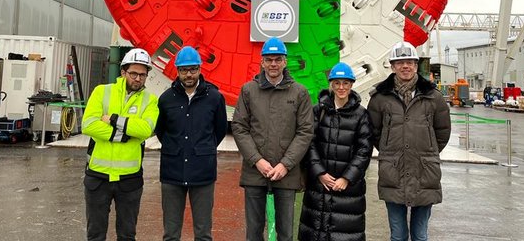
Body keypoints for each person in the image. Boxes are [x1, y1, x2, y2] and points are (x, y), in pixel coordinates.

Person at [367, 41, 451, 241]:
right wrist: (390, 151)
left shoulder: (433, 97)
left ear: (416, 65)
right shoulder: (380, 98)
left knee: (420, 235)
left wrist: (427, 150)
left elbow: (442, 131)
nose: (405, 66)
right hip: (392, 171)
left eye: (410, 62)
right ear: (393, 66)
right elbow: (374, 131)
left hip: (425, 171)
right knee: (398, 235)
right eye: (400, 62)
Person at [232, 37, 314, 241]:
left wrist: (285, 165)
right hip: (255, 173)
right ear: (262, 62)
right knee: (253, 232)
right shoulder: (248, 90)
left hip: (286, 174)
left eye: (278, 59)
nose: (273, 64)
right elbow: (240, 127)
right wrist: (257, 161)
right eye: (269, 59)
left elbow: (305, 131)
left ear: (285, 61)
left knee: (285, 232)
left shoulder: (299, 92)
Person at [82, 48, 159, 241]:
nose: (138, 79)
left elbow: (145, 130)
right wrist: (124, 135)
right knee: (95, 235)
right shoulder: (102, 92)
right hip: (98, 177)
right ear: (123, 72)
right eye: (133, 73)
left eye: (143, 74)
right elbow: (89, 124)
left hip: (129, 179)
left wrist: (114, 120)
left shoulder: (150, 100)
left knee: (127, 235)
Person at [155, 45, 227, 241]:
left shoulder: (214, 98)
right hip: (172, 172)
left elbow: (219, 130)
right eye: (184, 70)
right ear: (177, 71)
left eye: (193, 69)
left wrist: (204, 149)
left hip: (202, 172)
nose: (189, 74)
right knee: (171, 233)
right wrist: (175, 148)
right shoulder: (166, 99)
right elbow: (161, 130)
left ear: (200, 69)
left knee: (203, 233)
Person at [298, 62, 373, 241]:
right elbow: (309, 142)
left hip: (348, 190)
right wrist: (319, 173)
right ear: (331, 84)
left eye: (345, 83)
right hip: (319, 186)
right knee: (315, 232)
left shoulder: (361, 115)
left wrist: (347, 178)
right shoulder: (318, 111)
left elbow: (364, 150)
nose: (341, 87)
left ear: (351, 85)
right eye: (337, 83)